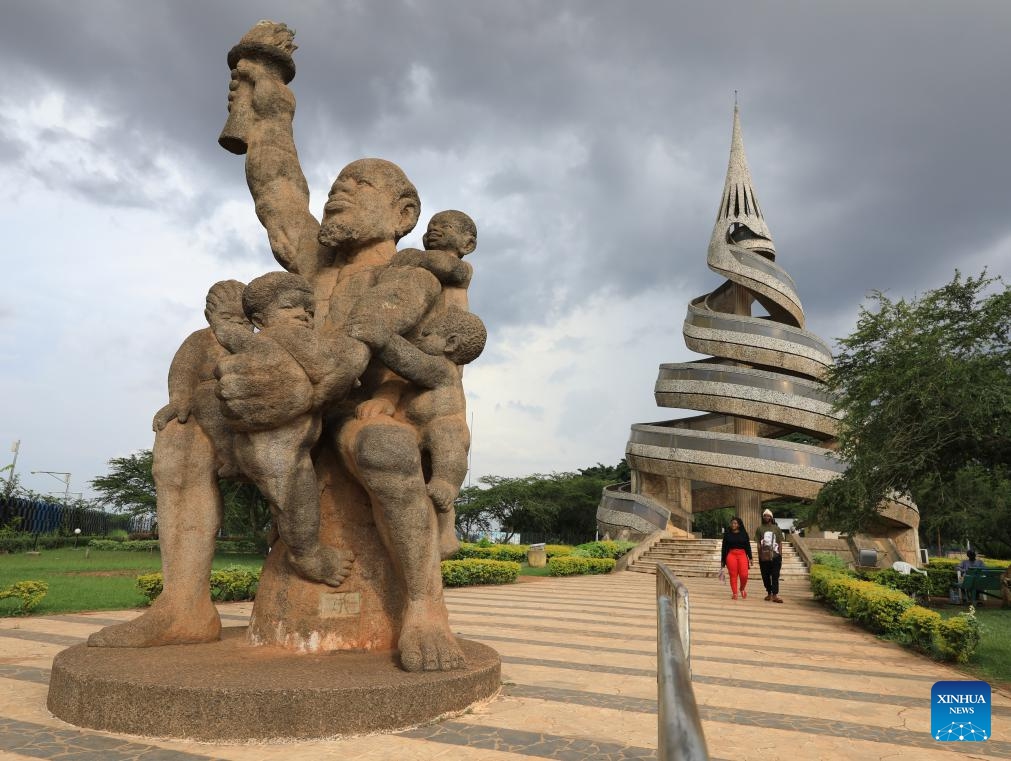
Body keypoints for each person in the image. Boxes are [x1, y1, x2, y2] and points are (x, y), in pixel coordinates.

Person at [90, 54, 465, 672]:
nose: (341, 192)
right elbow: (279, 189)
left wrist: (299, 388)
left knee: (385, 450)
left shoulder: (411, 275)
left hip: (352, 408)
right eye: (338, 186)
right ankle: (185, 605)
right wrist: (269, 103)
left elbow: (359, 347)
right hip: (288, 401)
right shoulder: (314, 264)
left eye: (360, 185)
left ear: (403, 215)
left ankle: (425, 608)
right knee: (182, 437)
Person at [212, 271, 369, 587]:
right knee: (298, 500)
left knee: (287, 502)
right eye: (290, 308)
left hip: (265, 446)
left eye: (309, 310)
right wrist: (350, 368)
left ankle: (289, 538)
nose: (303, 315)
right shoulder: (291, 336)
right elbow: (332, 370)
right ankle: (307, 556)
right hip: (278, 448)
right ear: (260, 318)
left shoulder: (263, 342)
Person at [351, 306, 487, 560]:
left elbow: (413, 363)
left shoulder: (443, 369)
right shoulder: (414, 380)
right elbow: (395, 384)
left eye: (426, 334)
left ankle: (447, 483)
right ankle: (446, 534)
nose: (419, 339)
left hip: (443, 430)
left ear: (451, 344)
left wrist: (384, 338)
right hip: (414, 430)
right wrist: (385, 400)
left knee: (444, 435)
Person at [755, 508, 785, 603]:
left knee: (775, 575)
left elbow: (780, 542)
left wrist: (780, 555)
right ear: (763, 517)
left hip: (775, 556)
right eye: (765, 515)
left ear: (771, 517)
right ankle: (769, 593)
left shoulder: (776, 528)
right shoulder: (760, 528)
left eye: (768, 516)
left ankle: (775, 595)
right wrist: (760, 555)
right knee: (765, 575)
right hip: (764, 557)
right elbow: (758, 543)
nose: (766, 517)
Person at [720, 516, 752, 600]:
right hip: (731, 555)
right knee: (733, 575)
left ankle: (742, 589)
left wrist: (750, 557)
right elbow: (724, 548)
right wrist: (723, 560)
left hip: (742, 555)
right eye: (732, 523)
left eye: (735, 523)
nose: (733, 525)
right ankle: (734, 593)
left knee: (744, 575)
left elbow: (748, 546)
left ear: (739, 524)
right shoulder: (727, 534)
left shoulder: (744, 534)